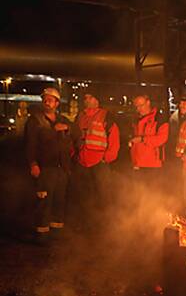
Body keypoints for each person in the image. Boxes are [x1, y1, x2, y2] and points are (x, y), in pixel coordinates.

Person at [24, 88, 72, 234]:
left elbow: (76, 132)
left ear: (57, 103)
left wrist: (67, 127)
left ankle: (56, 232)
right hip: (45, 168)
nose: (47, 102)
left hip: (61, 168)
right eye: (45, 99)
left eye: (50, 100)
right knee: (44, 201)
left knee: (59, 201)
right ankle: (42, 234)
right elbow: (29, 144)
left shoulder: (62, 120)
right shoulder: (35, 121)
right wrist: (33, 164)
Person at [72, 92, 120, 225]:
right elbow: (74, 136)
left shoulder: (106, 116)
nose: (86, 99)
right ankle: (87, 223)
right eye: (85, 97)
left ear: (97, 100)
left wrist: (107, 158)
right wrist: (74, 155)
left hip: (100, 162)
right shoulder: (80, 116)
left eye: (89, 97)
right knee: (84, 195)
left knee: (103, 195)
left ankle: (106, 224)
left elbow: (114, 138)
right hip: (82, 161)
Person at [129, 95, 169, 187]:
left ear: (148, 102)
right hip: (137, 163)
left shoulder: (159, 119)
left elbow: (162, 139)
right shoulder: (135, 120)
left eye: (141, 105)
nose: (139, 109)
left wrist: (142, 139)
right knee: (138, 193)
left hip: (153, 165)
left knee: (153, 194)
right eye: (136, 106)